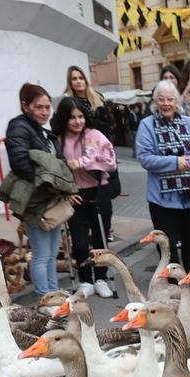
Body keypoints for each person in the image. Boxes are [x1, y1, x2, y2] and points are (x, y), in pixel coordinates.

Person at [136, 79, 190, 271]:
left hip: (189, 196)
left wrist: (189, 163)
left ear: (177, 101)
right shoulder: (147, 125)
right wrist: (174, 162)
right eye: (161, 99)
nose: (166, 103)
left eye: (170, 99)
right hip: (162, 199)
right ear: (155, 102)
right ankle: (171, 289)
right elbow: (144, 158)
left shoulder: (189, 123)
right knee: (167, 249)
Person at [53, 97, 116, 298]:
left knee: (100, 239)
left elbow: (111, 163)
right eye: (72, 117)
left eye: (80, 116)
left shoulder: (95, 135)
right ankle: (85, 280)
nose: (77, 121)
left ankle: (101, 278)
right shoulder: (59, 139)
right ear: (64, 119)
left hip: (99, 190)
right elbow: (57, 169)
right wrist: (65, 192)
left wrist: (83, 162)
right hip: (74, 194)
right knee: (79, 243)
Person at [5, 84, 62, 296]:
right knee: (41, 254)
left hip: (49, 199)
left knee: (52, 253)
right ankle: (44, 297)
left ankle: (53, 294)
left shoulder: (40, 129)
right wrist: (49, 183)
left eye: (48, 107)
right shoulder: (18, 127)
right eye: (39, 107)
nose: (45, 112)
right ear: (25, 105)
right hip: (34, 200)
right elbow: (20, 162)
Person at [62, 65, 112, 137]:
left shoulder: (98, 97)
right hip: (77, 142)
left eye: (81, 78)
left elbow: (108, 124)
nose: (78, 81)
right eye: (74, 79)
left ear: (85, 80)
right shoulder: (66, 101)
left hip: (99, 141)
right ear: (70, 83)